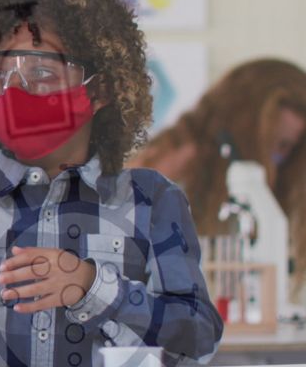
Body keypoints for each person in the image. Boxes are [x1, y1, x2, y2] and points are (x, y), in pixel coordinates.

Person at [0, 0, 223, 367]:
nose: (12, 92)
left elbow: (198, 341)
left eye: (41, 73)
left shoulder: (150, 200)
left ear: (99, 91)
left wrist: (93, 286)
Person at [129, 59, 306, 296]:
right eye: (275, 144)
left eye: (288, 148)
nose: (277, 158)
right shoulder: (171, 165)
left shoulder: (252, 192)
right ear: (244, 130)